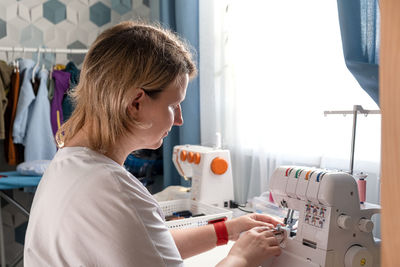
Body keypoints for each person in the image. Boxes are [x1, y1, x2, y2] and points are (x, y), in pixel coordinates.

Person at [24, 21, 282, 267]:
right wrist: (242, 258)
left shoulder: (68, 164)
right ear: (136, 103)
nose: (179, 120)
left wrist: (227, 230)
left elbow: (148, 246)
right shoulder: (114, 190)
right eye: (173, 105)